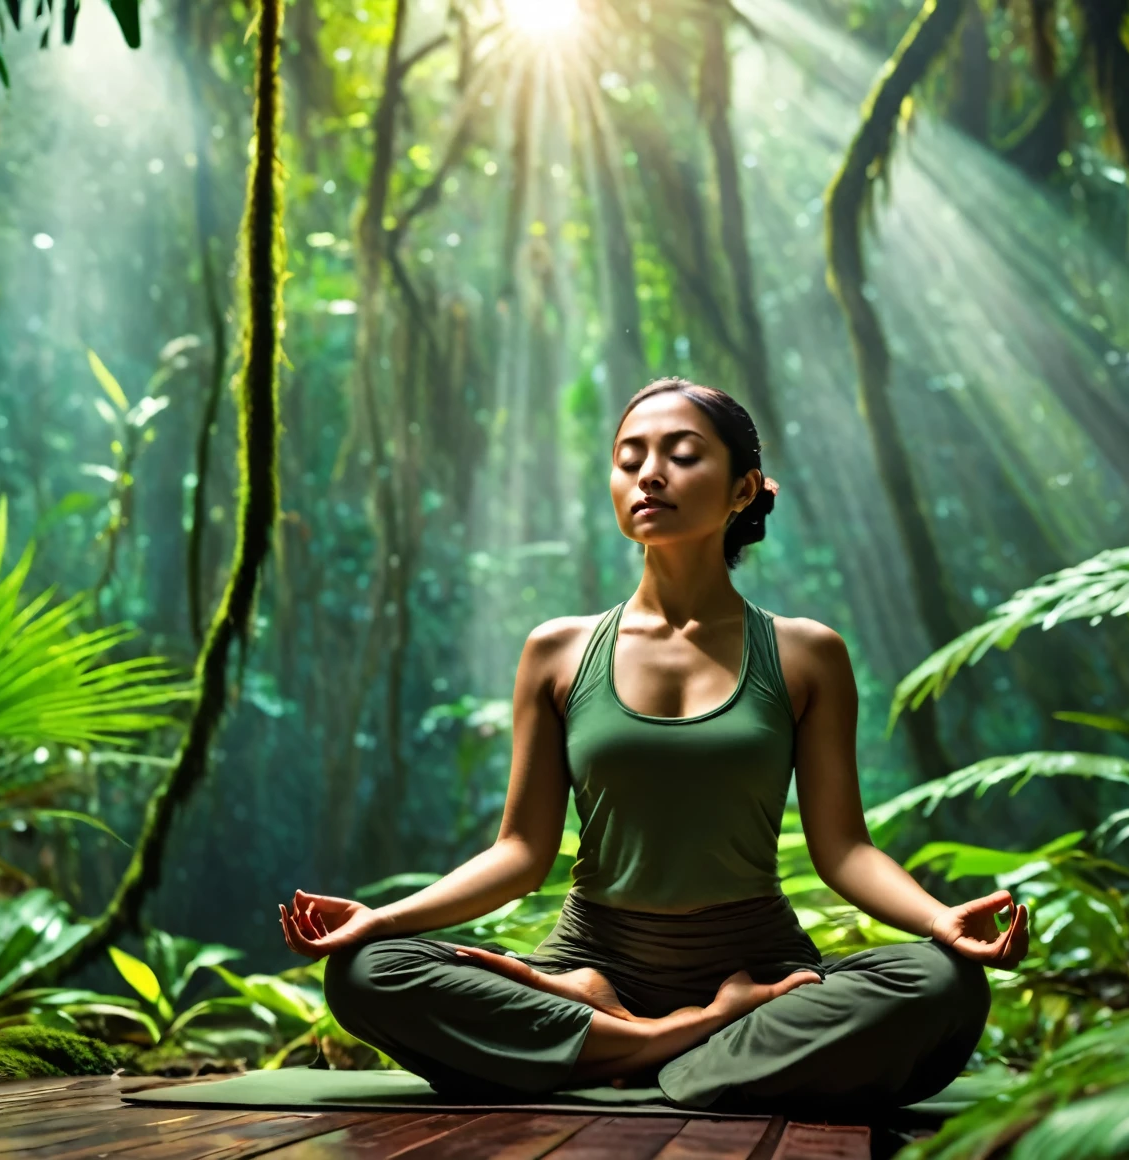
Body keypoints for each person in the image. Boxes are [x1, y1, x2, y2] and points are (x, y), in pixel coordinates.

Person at [276, 378, 1029, 1114]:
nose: (649, 474)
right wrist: (384, 920)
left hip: (759, 969)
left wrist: (939, 921)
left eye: (682, 454)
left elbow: (843, 851)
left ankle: (617, 1050)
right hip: (588, 966)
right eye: (629, 456)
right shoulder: (557, 651)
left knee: (945, 987)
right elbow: (520, 854)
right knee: (367, 973)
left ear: (744, 489)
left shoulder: (806, 655)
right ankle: (700, 1040)